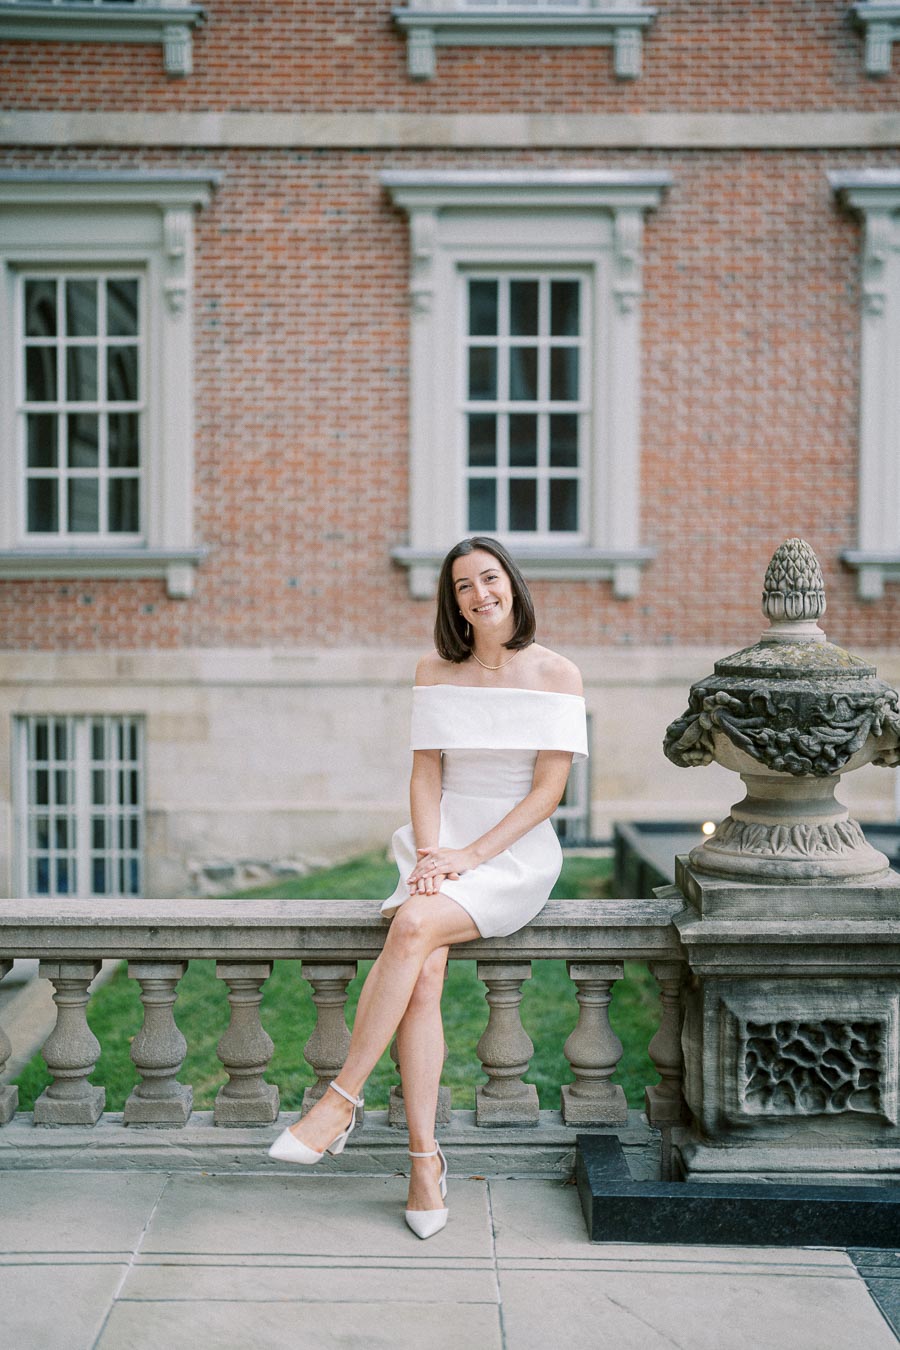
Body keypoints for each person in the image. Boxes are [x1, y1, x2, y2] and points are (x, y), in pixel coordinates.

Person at [268, 536, 588, 1238]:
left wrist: (469, 855)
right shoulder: (434, 668)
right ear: (453, 600)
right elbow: (425, 775)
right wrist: (429, 856)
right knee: (423, 972)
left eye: (490, 578)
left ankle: (339, 1102)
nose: (480, 593)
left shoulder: (558, 673)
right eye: (463, 585)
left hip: (513, 849)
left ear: (513, 584)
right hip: (441, 838)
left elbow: (547, 792)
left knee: (412, 929)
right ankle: (423, 1162)